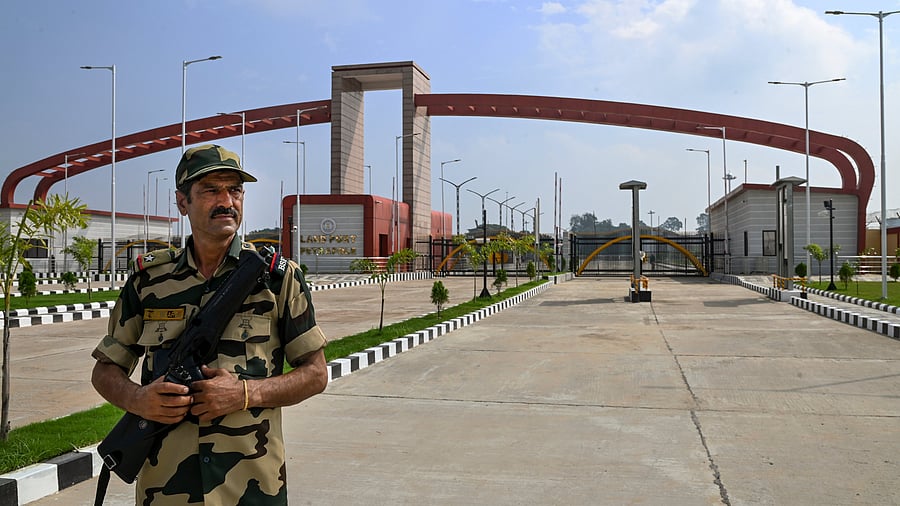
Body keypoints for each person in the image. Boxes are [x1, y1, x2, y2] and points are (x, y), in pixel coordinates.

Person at [91, 144, 328, 504]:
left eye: (234, 190)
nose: (226, 201)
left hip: (252, 487)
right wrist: (138, 400)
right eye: (211, 190)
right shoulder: (149, 281)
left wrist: (246, 393)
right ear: (182, 202)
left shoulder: (277, 280)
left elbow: (315, 374)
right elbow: (106, 371)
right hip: (166, 489)